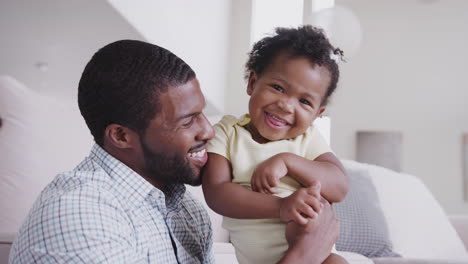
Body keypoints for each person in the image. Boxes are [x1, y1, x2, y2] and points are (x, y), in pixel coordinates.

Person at [9, 39, 339, 264]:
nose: (209, 131)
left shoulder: (188, 215)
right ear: (122, 136)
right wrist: (303, 255)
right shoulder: (80, 215)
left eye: (202, 113)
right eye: (187, 122)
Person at [202, 25, 349, 264]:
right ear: (252, 82)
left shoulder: (307, 138)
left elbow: (339, 186)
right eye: (278, 88)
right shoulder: (228, 132)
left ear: (317, 114)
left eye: (304, 101)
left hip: (320, 257)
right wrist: (281, 205)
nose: (286, 105)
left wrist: (288, 161)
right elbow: (217, 193)